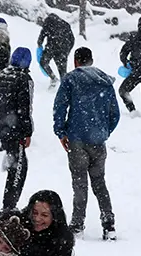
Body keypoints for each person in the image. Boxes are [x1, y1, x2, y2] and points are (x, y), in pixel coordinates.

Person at [53, 47, 120, 240]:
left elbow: (60, 107)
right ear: (91, 60)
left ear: (76, 61)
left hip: (77, 139)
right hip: (98, 141)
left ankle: (77, 224)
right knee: (99, 182)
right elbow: (114, 114)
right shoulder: (105, 81)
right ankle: (109, 223)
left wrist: (61, 132)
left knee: (80, 183)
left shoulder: (71, 79)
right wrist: (104, 131)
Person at [0, 47, 34, 211]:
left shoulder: (3, 75)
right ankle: (9, 205)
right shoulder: (24, 79)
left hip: (3, 127)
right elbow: (25, 108)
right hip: (16, 129)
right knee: (19, 167)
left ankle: (9, 203)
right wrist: (27, 132)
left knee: (15, 162)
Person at [37, 13, 75, 88]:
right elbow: (72, 40)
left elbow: (41, 37)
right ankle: (65, 88)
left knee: (43, 62)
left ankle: (53, 78)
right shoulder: (65, 24)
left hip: (51, 48)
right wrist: (67, 51)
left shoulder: (47, 22)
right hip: (63, 50)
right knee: (62, 71)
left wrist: (39, 45)